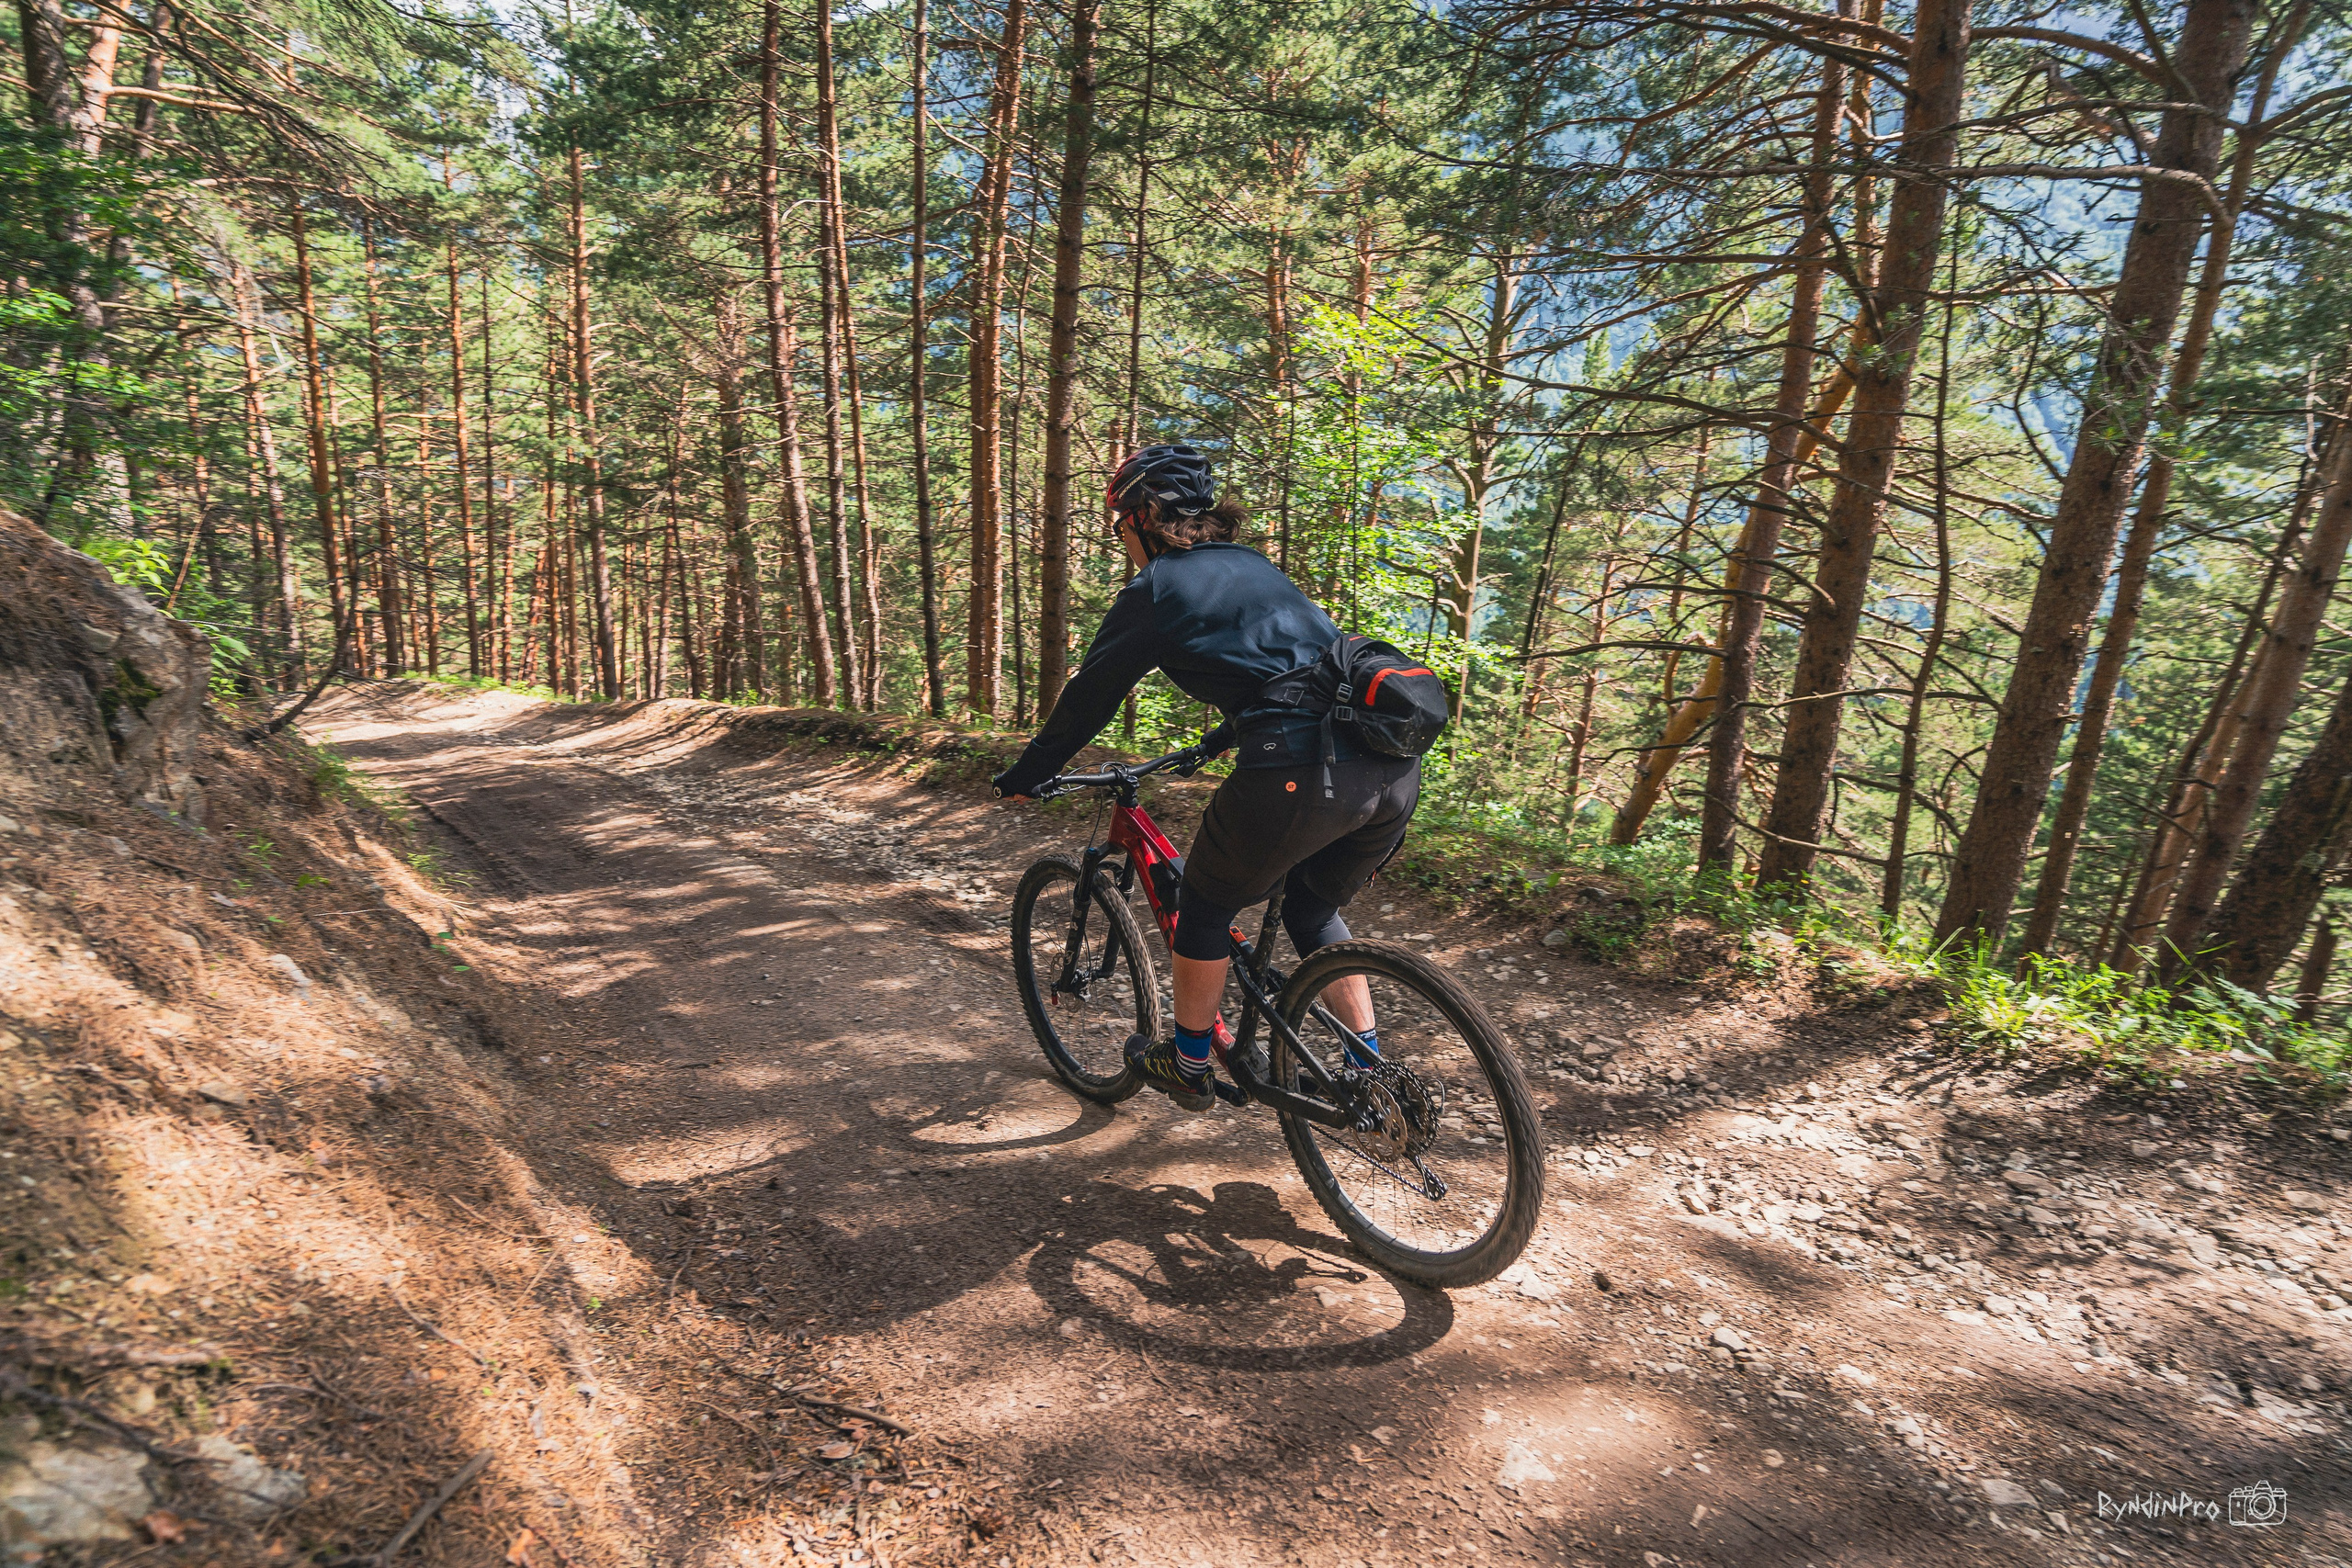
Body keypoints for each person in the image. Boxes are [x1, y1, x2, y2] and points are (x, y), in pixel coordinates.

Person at [991, 444, 1419, 1111]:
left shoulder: (1157, 587)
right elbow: (1300, 673)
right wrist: (1220, 738)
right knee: (1312, 907)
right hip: (1390, 771)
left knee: (1204, 903)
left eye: (1119, 528)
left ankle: (1189, 1064)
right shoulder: (1255, 567)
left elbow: (1091, 695)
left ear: (1140, 518)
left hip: (1302, 770)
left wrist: (1029, 770)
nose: (1122, 542)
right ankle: (1368, 1070)